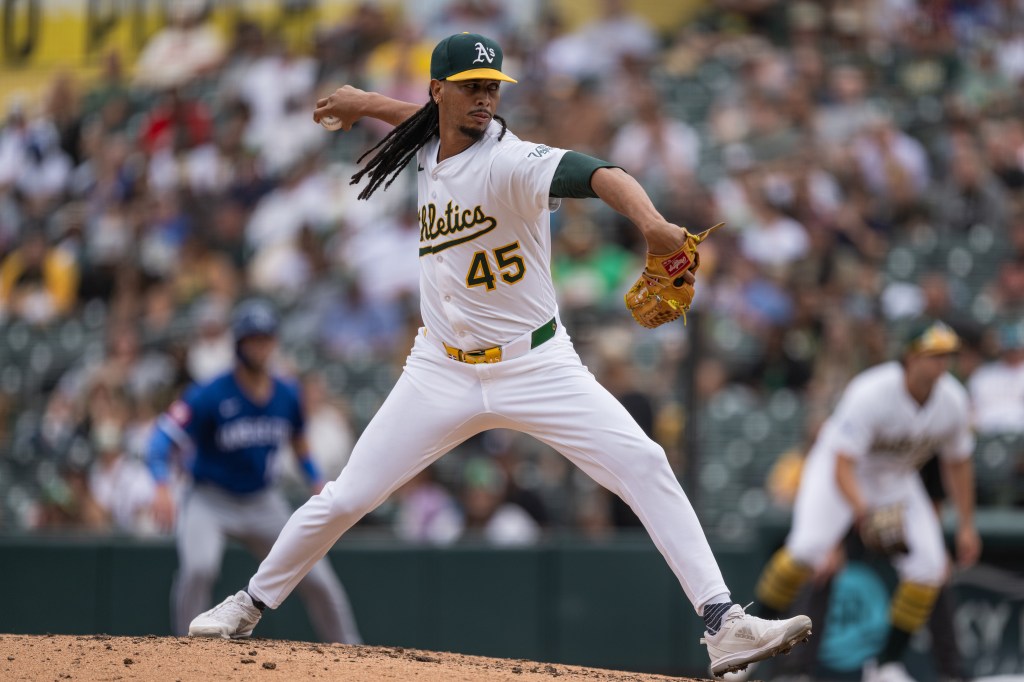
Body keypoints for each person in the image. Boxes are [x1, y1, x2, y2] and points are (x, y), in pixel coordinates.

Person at [187, 33, 811, 677]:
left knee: (643, 460)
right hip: (440, 369)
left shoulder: (512, 161)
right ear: (440, 92)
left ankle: (724, 623)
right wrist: (366, 101)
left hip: (536, 364)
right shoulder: (430, 140)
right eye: (471, 86)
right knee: (346, 497)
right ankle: (249, 603)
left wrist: (651, 224)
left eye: (492, 86)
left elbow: (602, 173)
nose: (485, 97)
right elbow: (417, 122)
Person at [740, 320, 980, 682]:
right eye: (933, 354)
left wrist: (965, 526)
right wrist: (863, 513)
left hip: (896, 477)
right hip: (839, 470)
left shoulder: (953, 400)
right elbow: (842, 465)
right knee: (807, 550)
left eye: (947, 355)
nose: (941, 364)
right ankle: (748, 644)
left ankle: (885, 665)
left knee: (930, 567)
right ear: (910, 356)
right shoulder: (873, 391)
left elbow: (958, 465)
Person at [145, 299, 361, 643]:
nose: (260, 346)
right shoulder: (209, 393)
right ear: (239, 343)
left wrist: (315, 479)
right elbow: (160, 440)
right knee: (199, 567)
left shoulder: (287, 393)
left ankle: (351, 652)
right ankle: (183, 654)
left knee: (318, 578)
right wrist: (160, 484)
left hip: (262, 501)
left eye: (265, 338)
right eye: (252, 339)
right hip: (209, 498)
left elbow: (299, 441)